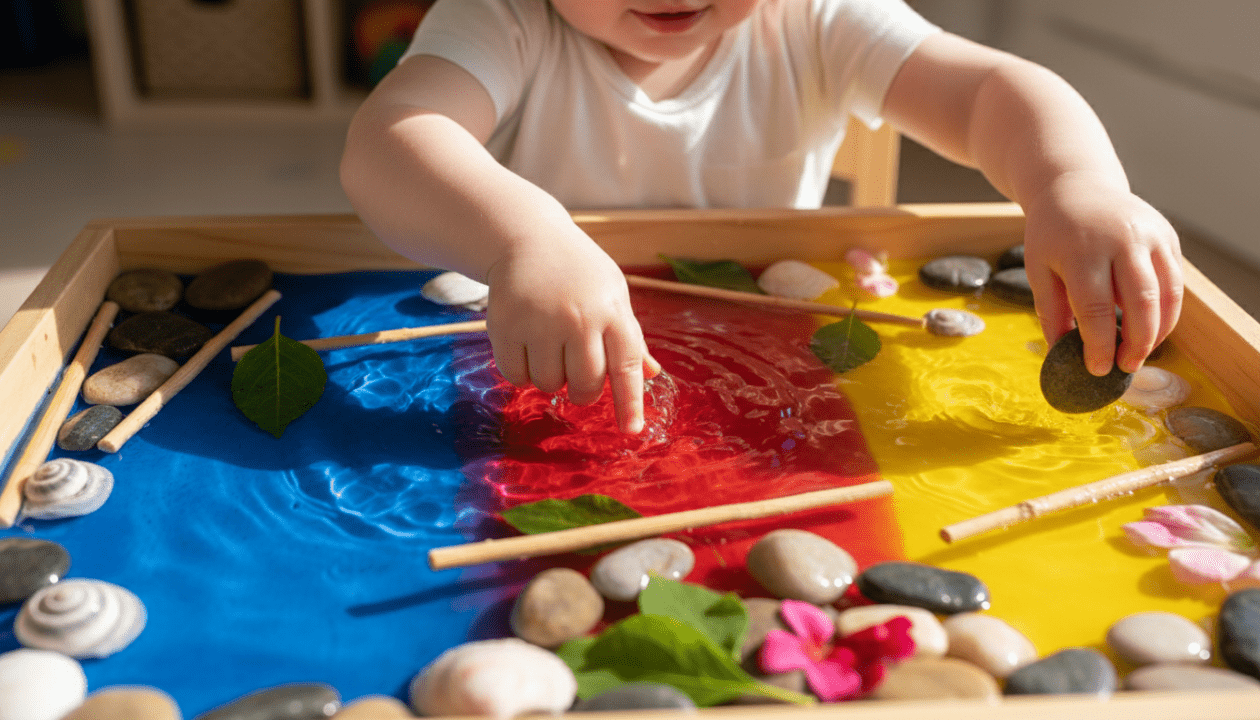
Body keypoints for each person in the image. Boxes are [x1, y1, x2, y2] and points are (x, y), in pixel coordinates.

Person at [340, 0, 1183, 435]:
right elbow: (388, 145)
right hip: (562, 359)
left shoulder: (815, 15)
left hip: (759, 365)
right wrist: (526, 238)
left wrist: (1074, 181)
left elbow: (990, 91)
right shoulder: (505, 17)